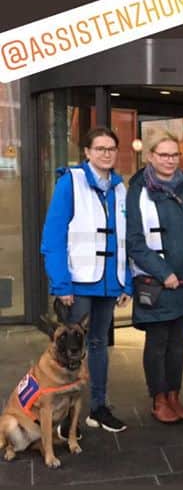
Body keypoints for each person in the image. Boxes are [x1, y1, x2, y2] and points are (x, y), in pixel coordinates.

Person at [41, 126, 132, 436]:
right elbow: (53, 236)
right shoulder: (71, 182)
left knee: (98, 345)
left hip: (109, 282)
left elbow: (126, 240)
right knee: (68, 351)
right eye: (100, 148)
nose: (106, 154)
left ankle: (98, 407)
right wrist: (61, 284)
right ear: (87, 152)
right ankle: (64, 417)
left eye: (111, 149)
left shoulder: (120, 188)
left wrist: (126, 282)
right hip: (78, 282)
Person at [126, 130, 183, 423]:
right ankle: (159, 398)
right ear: (150, 156)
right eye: (163, 155)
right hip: (157, 283)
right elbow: (135, 241)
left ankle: (175, 396)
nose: (169, 160)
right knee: (158, 341)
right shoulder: (138, 191)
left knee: (179, 342)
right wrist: (164, 273)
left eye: (174, 155)